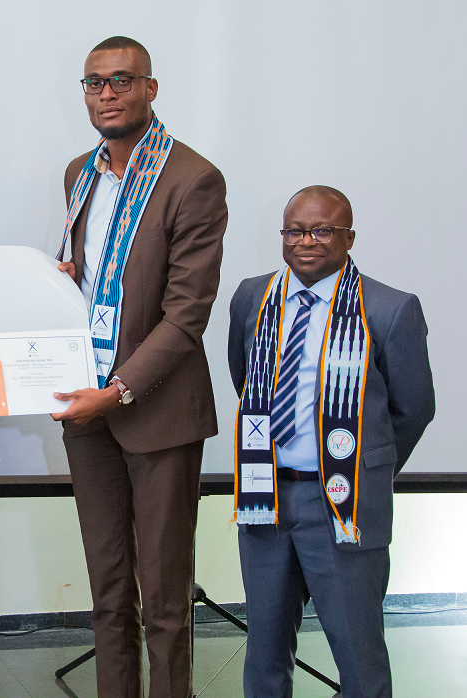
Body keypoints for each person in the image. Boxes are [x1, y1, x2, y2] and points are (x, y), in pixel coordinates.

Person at [52, 36, 228, 698]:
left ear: (150, 89)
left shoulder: (193, 179)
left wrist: (117, 391)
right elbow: (97, 284)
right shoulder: (79, 172)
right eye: (94, 83)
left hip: (156, 411)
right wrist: (62, 284)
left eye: (121, 81)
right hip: (86, 411)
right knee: (107, 592)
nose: (106, 93)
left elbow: (186, 318)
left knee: (163, 602)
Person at [228, 185, 434, 697]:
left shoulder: (389, 309)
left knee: (359, 658)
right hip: (266, 500)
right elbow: (244, 379)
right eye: (294, 230)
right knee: (265, 657)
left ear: (349, 237)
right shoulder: (253, 297)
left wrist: (360, 468)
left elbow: (413, 410)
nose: (306, 241)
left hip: (342, 507)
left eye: (322, 230)